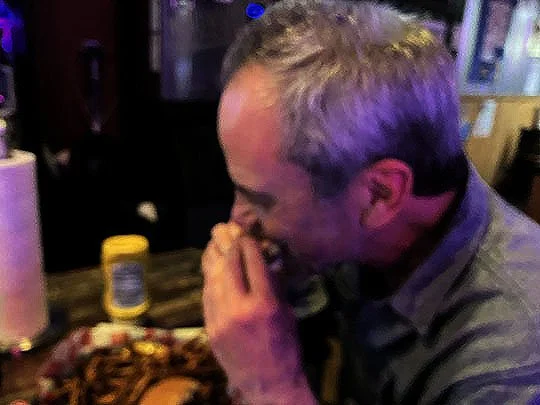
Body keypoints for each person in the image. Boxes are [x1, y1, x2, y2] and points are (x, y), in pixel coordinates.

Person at [201, 1, 540, 404]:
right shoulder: (367, 222)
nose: (237, 220)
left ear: (380, 195)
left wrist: (270, 385)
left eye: (260, 200)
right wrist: (274, 295)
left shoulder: (511, 363)